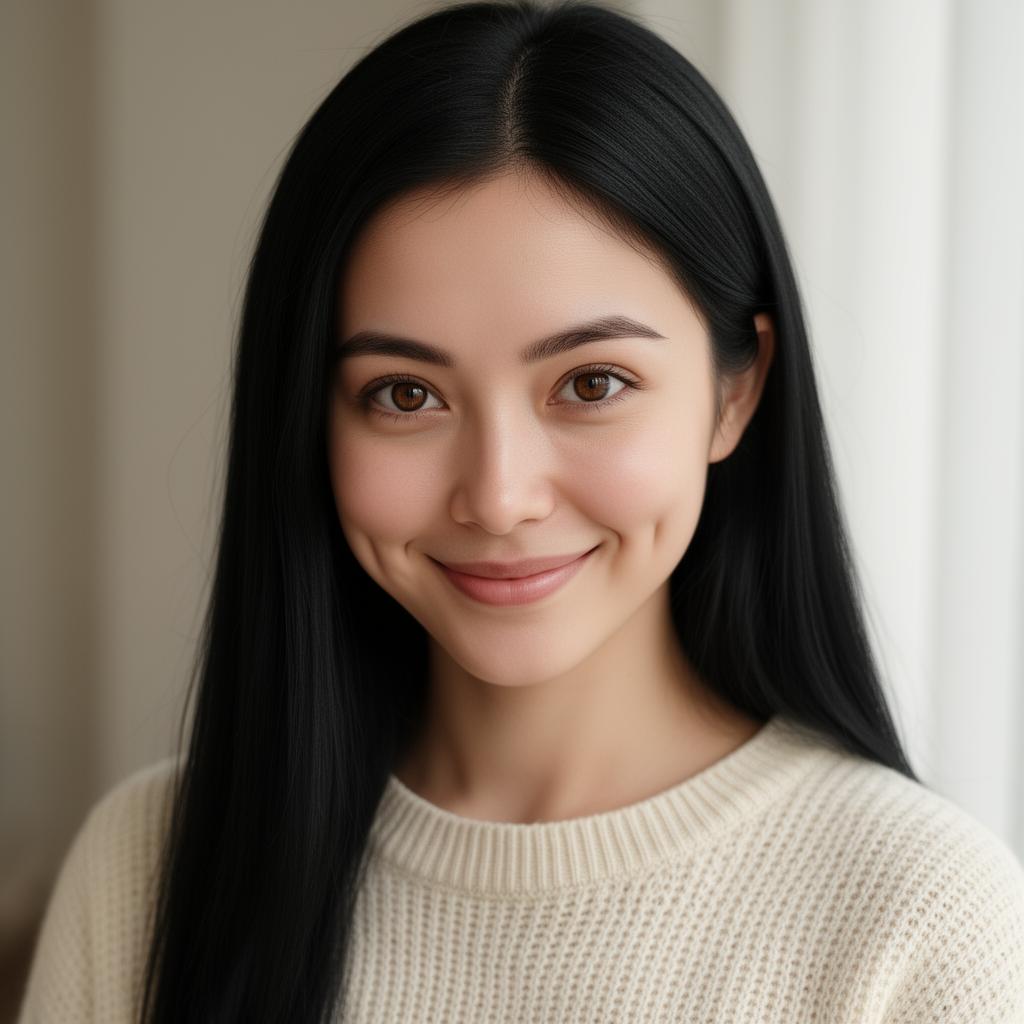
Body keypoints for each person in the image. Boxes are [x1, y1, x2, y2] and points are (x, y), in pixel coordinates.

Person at [17, 1, 1024, 1021]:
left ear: (736, 390)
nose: (499, 496)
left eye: (591, 384)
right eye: (404, 394)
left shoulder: (920, 921)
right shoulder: (145, 868)